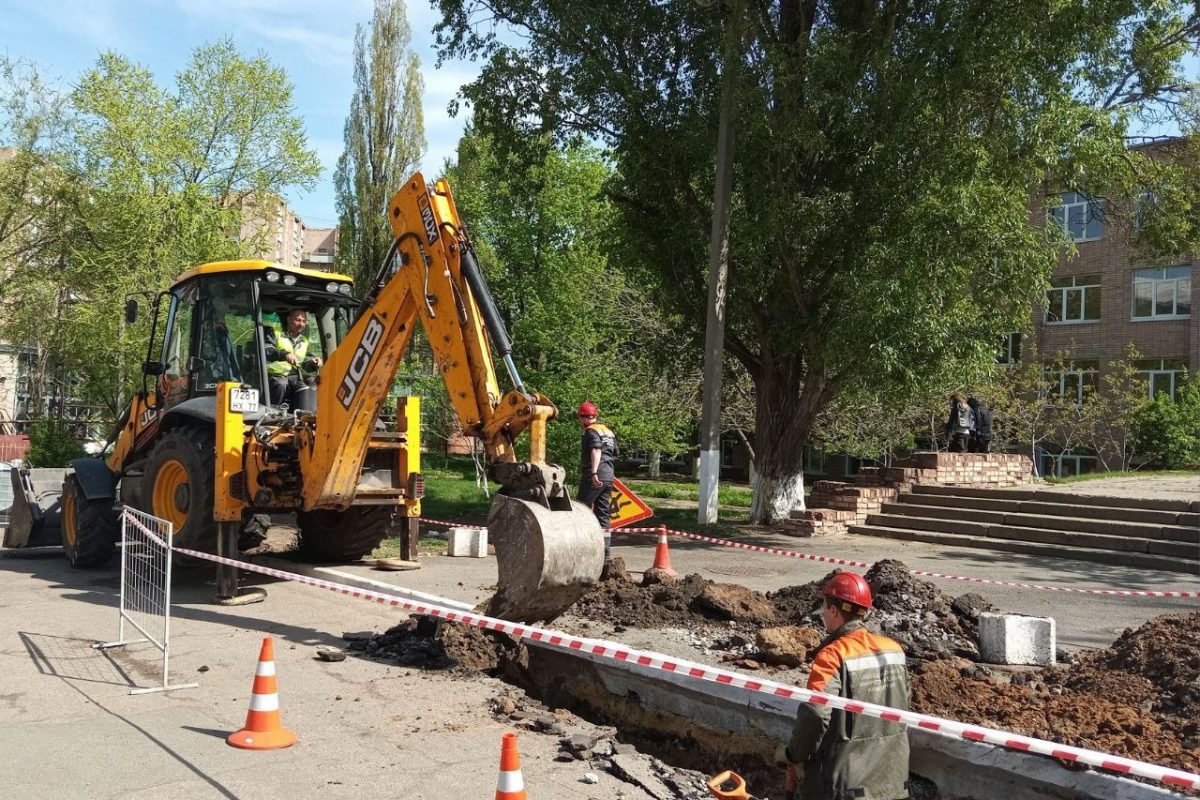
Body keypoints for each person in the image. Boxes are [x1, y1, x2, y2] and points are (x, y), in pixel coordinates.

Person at [777, 572, 911, 800]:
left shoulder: (832, 655)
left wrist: (793, 754)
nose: (823, 614)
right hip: (893, 782)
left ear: (833, 611)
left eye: (824, 608)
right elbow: (903, 705)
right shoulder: (894, 650)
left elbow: (816, 714)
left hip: (843, 786)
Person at [576, 400, 617, 560]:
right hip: (608, 475)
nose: (580, 421)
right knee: (602, 513)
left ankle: (582, 547)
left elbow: (596, 450)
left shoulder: (591, 431)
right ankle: (605, 553)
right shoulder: (608, 431)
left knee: (581, 509)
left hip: (595, 476)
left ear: (585, 418)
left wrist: (593, 473)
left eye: (580, 418)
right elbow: (614, 453)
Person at [265, 309, 322, 407]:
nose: (301, 324)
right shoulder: (275, 333)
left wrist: (313, 362)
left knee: (312, 385)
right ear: (288, 319)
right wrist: (285, 355)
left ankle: (306, 415)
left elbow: (303, 361)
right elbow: (267, 350)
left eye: (304, 321)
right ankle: (273, 412)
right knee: (281, 384)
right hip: (274, 374)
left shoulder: (303, 341)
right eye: (298, 320)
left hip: (294, 376)